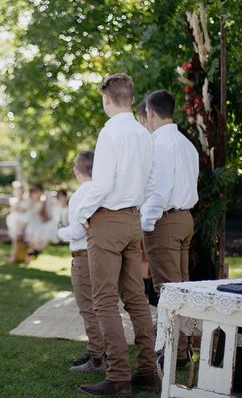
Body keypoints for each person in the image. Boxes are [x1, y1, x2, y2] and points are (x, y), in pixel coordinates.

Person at [75, 73, 159, 396]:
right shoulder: (143, 133)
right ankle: (148, 371)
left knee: (105, 299)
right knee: (136, 297)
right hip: (133, 221)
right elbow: (151, 183)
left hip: (108, 221)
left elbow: (101, 184)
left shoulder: (109, 133)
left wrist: (84, 213)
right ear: (130, 97)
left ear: (108, 98)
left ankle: (119, 376)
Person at [141, 89, 199, 365]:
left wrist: (145, 223)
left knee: (168, 289)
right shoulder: (186, 143)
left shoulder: (160, 144)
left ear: (150, 112)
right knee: (182, 288)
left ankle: (174, 353)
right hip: (186, 218)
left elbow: (160, 190)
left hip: (165, 220)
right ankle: (183, 347)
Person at [58, 151, 105, 373]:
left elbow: (76, 232)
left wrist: (59, 233)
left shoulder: (79, 195)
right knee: (103, 306)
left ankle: (97, 359)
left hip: (83, 257)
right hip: (102, 255)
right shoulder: (104, 192)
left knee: (88, 308)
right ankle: (98, 349)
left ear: (77, 171)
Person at [7, 181, 30, 264]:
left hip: (24, 223)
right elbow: (14, 209)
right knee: (15, 238)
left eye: (20, 190)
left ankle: (25, 257)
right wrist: (18, 201)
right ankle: (14, 256)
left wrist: (19, 207)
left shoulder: (26, 201)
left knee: (25, 240)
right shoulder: (13, 200)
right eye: (17, 191)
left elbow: (23, 210)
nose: (19, 192)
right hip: (15, 223)